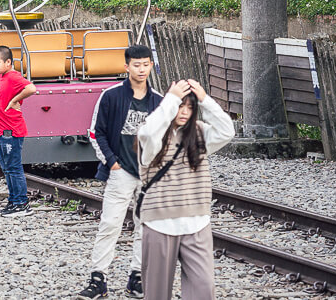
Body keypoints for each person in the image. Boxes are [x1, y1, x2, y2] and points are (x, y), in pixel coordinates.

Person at [78, 45, 163, 300]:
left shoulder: (158, 101)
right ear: (127, 67)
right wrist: (112, 162)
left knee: (145, 227)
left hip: (148, 174)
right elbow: (96, 131)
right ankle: (98, 278)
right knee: (110, 225)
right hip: (121, 171)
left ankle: (137, 277)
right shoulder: (111, 96)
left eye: (146, 64)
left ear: (150, 65)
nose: (141, 69)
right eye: (136, 65)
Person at [137, 80, 234, 300]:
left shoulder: (199, 132)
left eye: (190, 108)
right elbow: (149, 133)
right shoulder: (154, 135)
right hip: (159, 222)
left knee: (204, 287)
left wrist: (204, 99)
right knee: (157, 293)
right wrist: (171, 98)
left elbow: (227, 131)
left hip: (196, 221)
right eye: (181, 106)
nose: (184, 112)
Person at [0, 46, 38, 215]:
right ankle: (13, 201)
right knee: (7, 167)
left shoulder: (13, 76)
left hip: (10, 130)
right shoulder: (2, 76)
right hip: (1, 130)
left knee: (13, 167)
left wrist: (15, 100)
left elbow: (31, 88)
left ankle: (21, 203)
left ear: (8, 62)